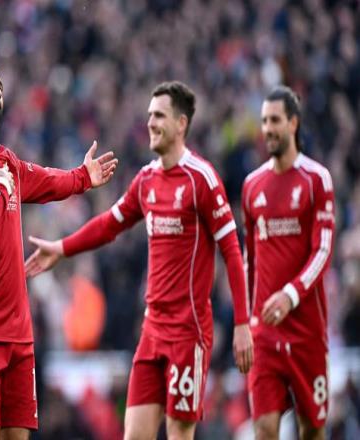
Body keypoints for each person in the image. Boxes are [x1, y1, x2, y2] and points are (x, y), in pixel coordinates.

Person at [25, 81, 254, 440]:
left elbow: (231, 252)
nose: (150, 122)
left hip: (188, 330)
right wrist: (62, 248)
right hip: (152, 330)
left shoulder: (202, 180)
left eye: (159, 115)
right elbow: (109, 224)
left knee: (179, 433)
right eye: (149, 115)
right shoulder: (147, 179)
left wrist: (241, 324)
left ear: (181, 123)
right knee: (134, 434)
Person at [0, 59, 117, 440]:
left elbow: (48, 181)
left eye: (0, 86)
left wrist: (83, 178)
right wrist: (1, 187)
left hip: (19, 337)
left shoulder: (7, 162)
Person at [242, 86, 335, 440]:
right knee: (264, 429)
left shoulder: (316, 180)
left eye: (275, 120)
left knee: (312, 429)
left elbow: (322, 250)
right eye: (264, 121)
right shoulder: (252, 185)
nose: (267, 128)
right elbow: (249, 260)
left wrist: (290, 295)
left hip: (306, 330)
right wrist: (245, 320)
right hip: (265, 332)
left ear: (293, 123)